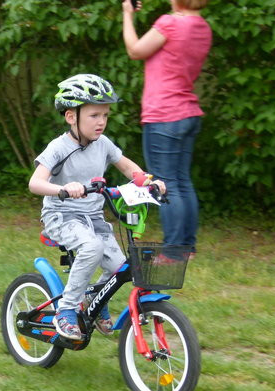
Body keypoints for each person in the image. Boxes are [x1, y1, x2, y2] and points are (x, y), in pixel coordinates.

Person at [28, 74, 166, 340]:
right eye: (94, 115)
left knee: (120, 267)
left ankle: (96, 302)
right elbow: (35, 183)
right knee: (92, 248)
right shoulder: (58, 148)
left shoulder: (102, 144)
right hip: (61, 215)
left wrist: (148, 181)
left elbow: (127, 166)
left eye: (105, 115)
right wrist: (64, 190)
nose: (101, 121)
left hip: (94, 218)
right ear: (71, 117)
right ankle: (66, 310)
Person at [122, 0, 211, 258]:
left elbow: (135, 50)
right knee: (181, 181)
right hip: (188, 113)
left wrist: (127, 14)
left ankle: (173, 252)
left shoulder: (170, 23)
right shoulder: (203, 27)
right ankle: (187, 247)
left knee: (165, 183)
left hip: (163, 115)